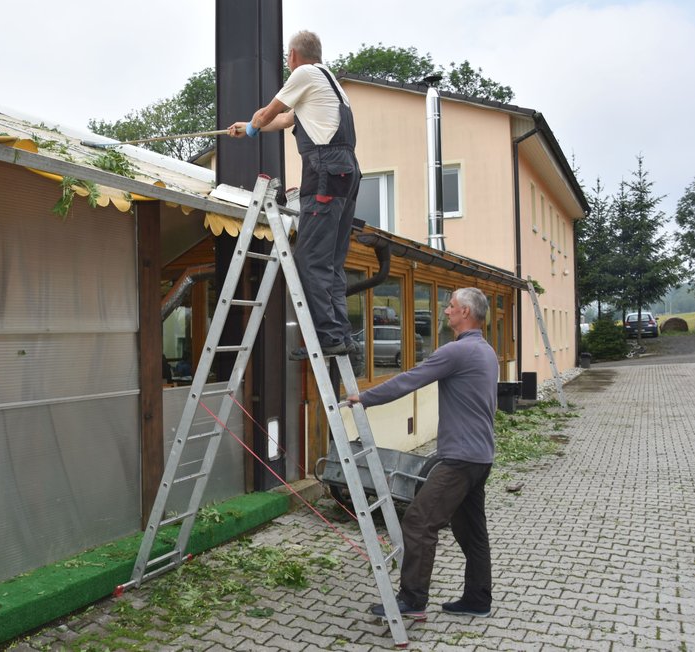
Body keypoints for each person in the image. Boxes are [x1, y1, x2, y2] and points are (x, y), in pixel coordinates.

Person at [346, 287, 498, 620]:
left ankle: (413, 601)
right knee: (472, 531)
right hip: (480, 456)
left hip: (460, 459)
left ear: (467, 314)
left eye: (452, 305)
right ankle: (477, 598)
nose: (446, 310)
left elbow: (410, 379)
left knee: (418, 521)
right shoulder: (486, 351)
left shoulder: (456, 352)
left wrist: (364, 397)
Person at [228, 30, 360, 361]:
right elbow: (287, 119)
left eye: (287, 57)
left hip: (326, 173)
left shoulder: (303, 75)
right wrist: (248, 125)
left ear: (293, 56)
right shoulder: (330, 84)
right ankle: (340, 334)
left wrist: (252, 126)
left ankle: (328, 335)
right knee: (331, 261)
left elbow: (270, 111)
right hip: (347, 173)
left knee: (310, 258)